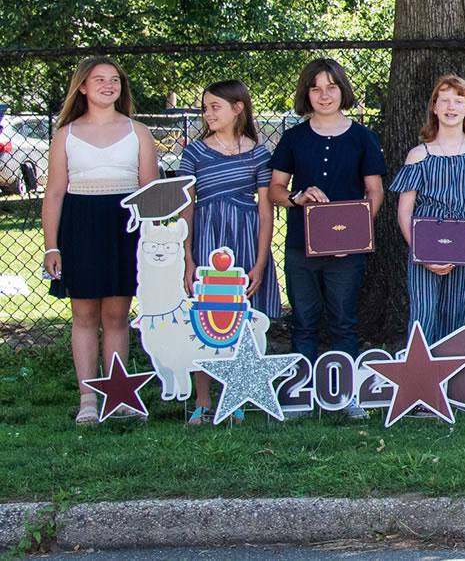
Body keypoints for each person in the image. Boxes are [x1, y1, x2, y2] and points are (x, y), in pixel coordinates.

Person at [41, 57, 159, 425]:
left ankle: (119, 396)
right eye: (99, 80)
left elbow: (150, 191)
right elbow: (55, 193)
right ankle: (88, 399)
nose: (108, 86)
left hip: (125, 227)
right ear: (83, 87)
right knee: (84, 315)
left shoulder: (138, 131)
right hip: (80, 227)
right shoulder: (66, 134)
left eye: (115, 80)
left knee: (117, 315)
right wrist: (51, 245)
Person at [270, 58, 384, 420]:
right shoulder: (293, 138)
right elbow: (275, 188)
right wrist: (296, 197)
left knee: (343, 320)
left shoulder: (363, 137)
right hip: (299, 246)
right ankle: (302, 396)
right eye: (316, 88)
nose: (324, 95)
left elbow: (374, 191)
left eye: (331, 87)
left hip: (346, 251)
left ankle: (345, 395)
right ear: (306, 93)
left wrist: (354, 231)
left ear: (342, 91)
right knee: (304, 319)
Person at [177, 80, 277, 425]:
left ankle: (235, 396)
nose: (207, 113)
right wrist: (187, 255)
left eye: (214, 106)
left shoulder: (258, 153)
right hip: (206, 237)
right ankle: (202, 402)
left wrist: (260, 261)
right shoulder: (194, 153)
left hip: (245, 239)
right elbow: (185, 207)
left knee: (242, 321)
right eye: (205, 107)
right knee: (203, 316)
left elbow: (266, 209)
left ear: (238, 108)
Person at [392, 74, 465, 346]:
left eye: (458, 101)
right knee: (423, 314)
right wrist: (421, 253)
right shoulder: (419, 154)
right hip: (426, 241)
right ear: (434, 107)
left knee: (458, 315)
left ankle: (455, 382)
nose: (450, 107)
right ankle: (419, 378)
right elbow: (404, 212)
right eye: (444, 100)